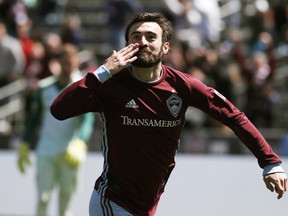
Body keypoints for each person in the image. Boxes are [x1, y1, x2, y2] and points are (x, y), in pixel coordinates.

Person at [50, 12, 287, 216]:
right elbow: (59, 110)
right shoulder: (109, 84)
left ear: (165, 47)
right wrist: (102, 72)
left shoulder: (184, 86)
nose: (142, 41)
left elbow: (233, 116)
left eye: (150, 37)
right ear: (125, 45)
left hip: (147, 205)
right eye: (135, 36)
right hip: (113, 200)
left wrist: (270, 162)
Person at [17, 43, 95, 216]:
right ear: (58, 62)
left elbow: (87, 119)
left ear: (76, 62)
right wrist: (24, 143)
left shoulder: (83, 88)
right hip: (46, 150)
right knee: (43, 198)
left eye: (71, 62)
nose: (68, 66)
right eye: (64, 62)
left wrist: (80, 142)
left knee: (65, 203)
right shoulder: (44, 88)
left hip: (70, 152)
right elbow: (33, 119)